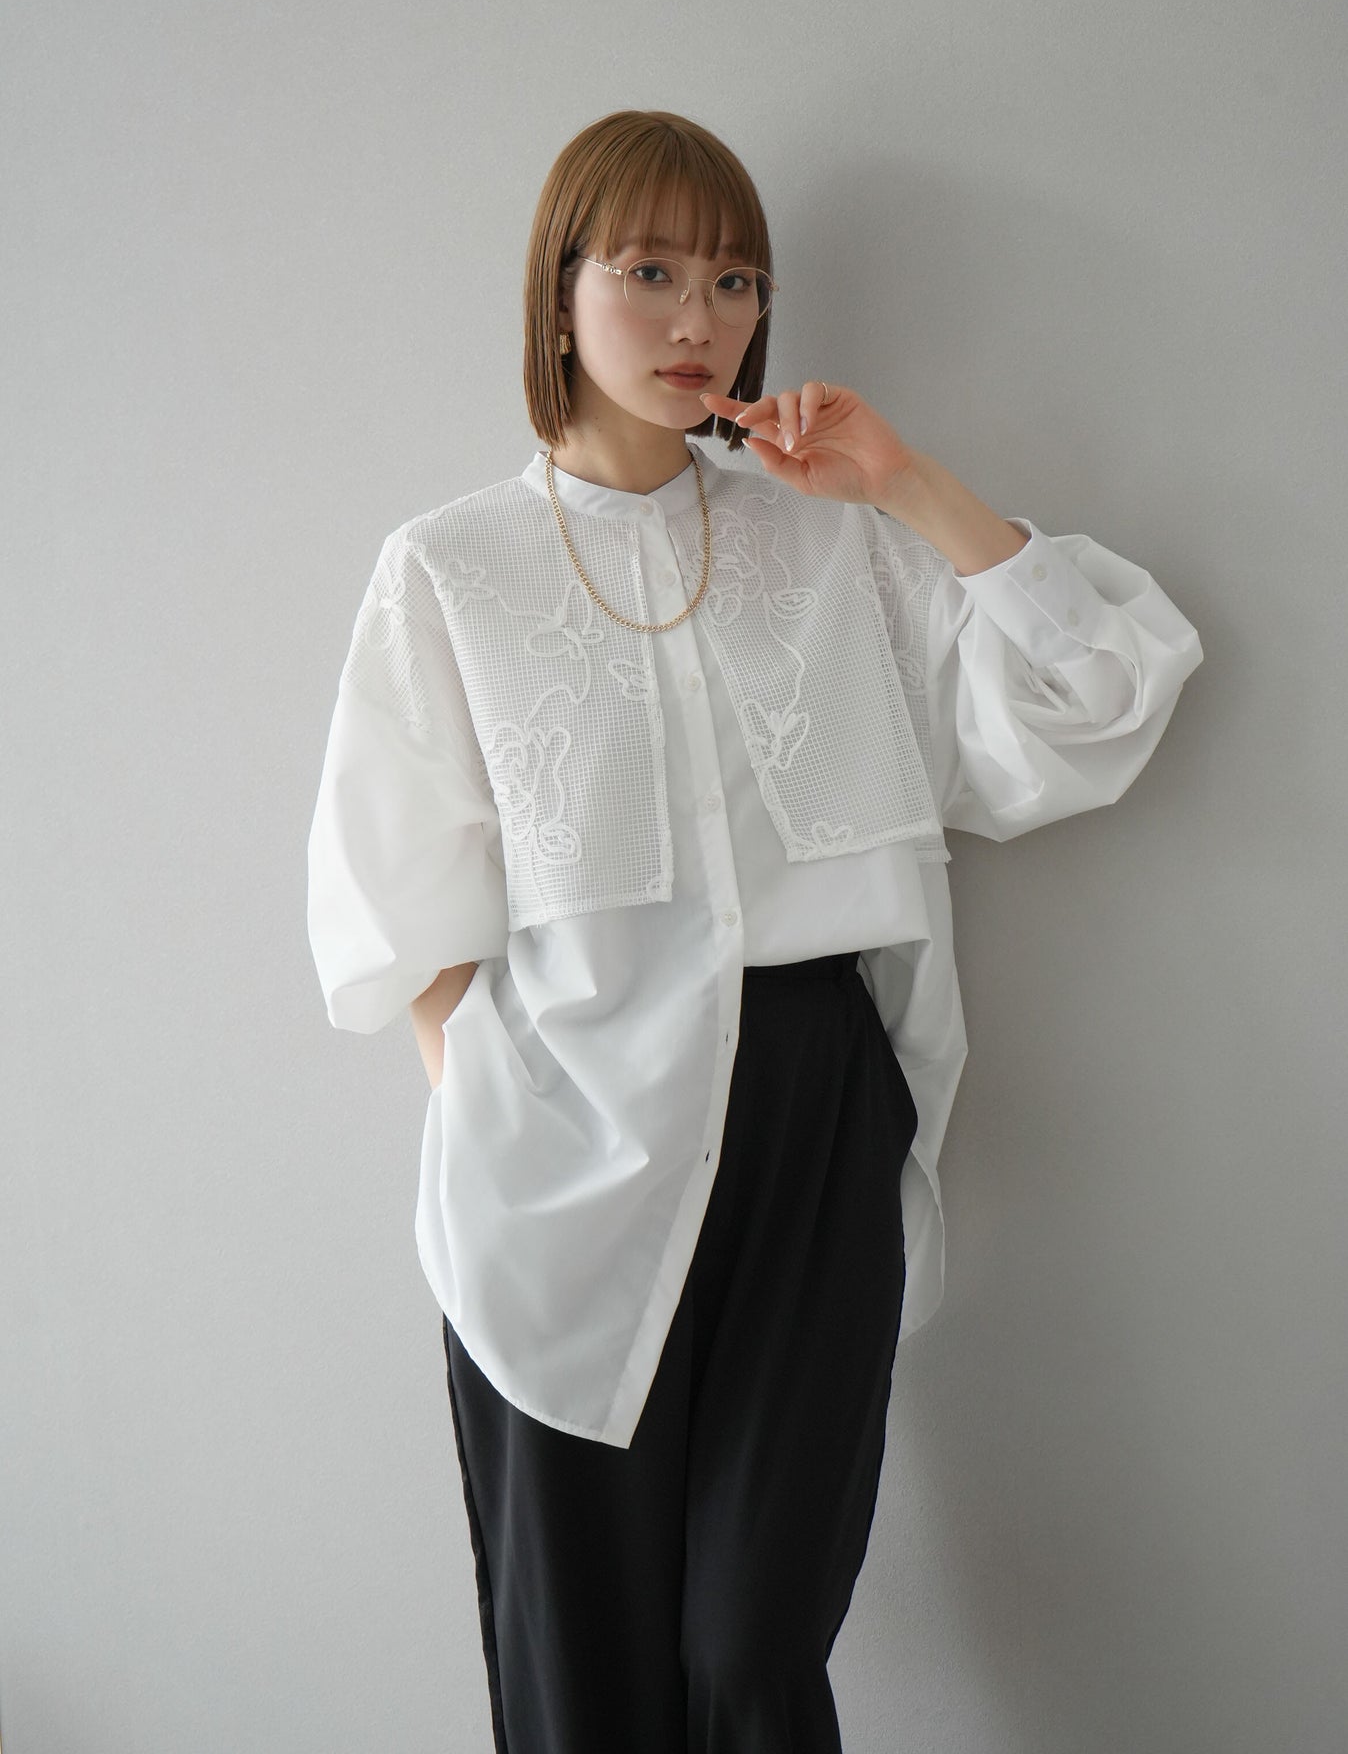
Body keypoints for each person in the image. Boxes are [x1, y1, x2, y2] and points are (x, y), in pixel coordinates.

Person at [306, 108, 1202, 1753]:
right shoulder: (448, 570)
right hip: (563, 1142)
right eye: (650, 272)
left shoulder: (836, 541)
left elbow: (1102, 697)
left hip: (813, 1115)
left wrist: (904, 482)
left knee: (749, 1648)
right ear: (559, 291)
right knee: (582, 1671)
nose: (699, 318)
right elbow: (393, 903)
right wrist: (501, 1116)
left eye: (734, 280)